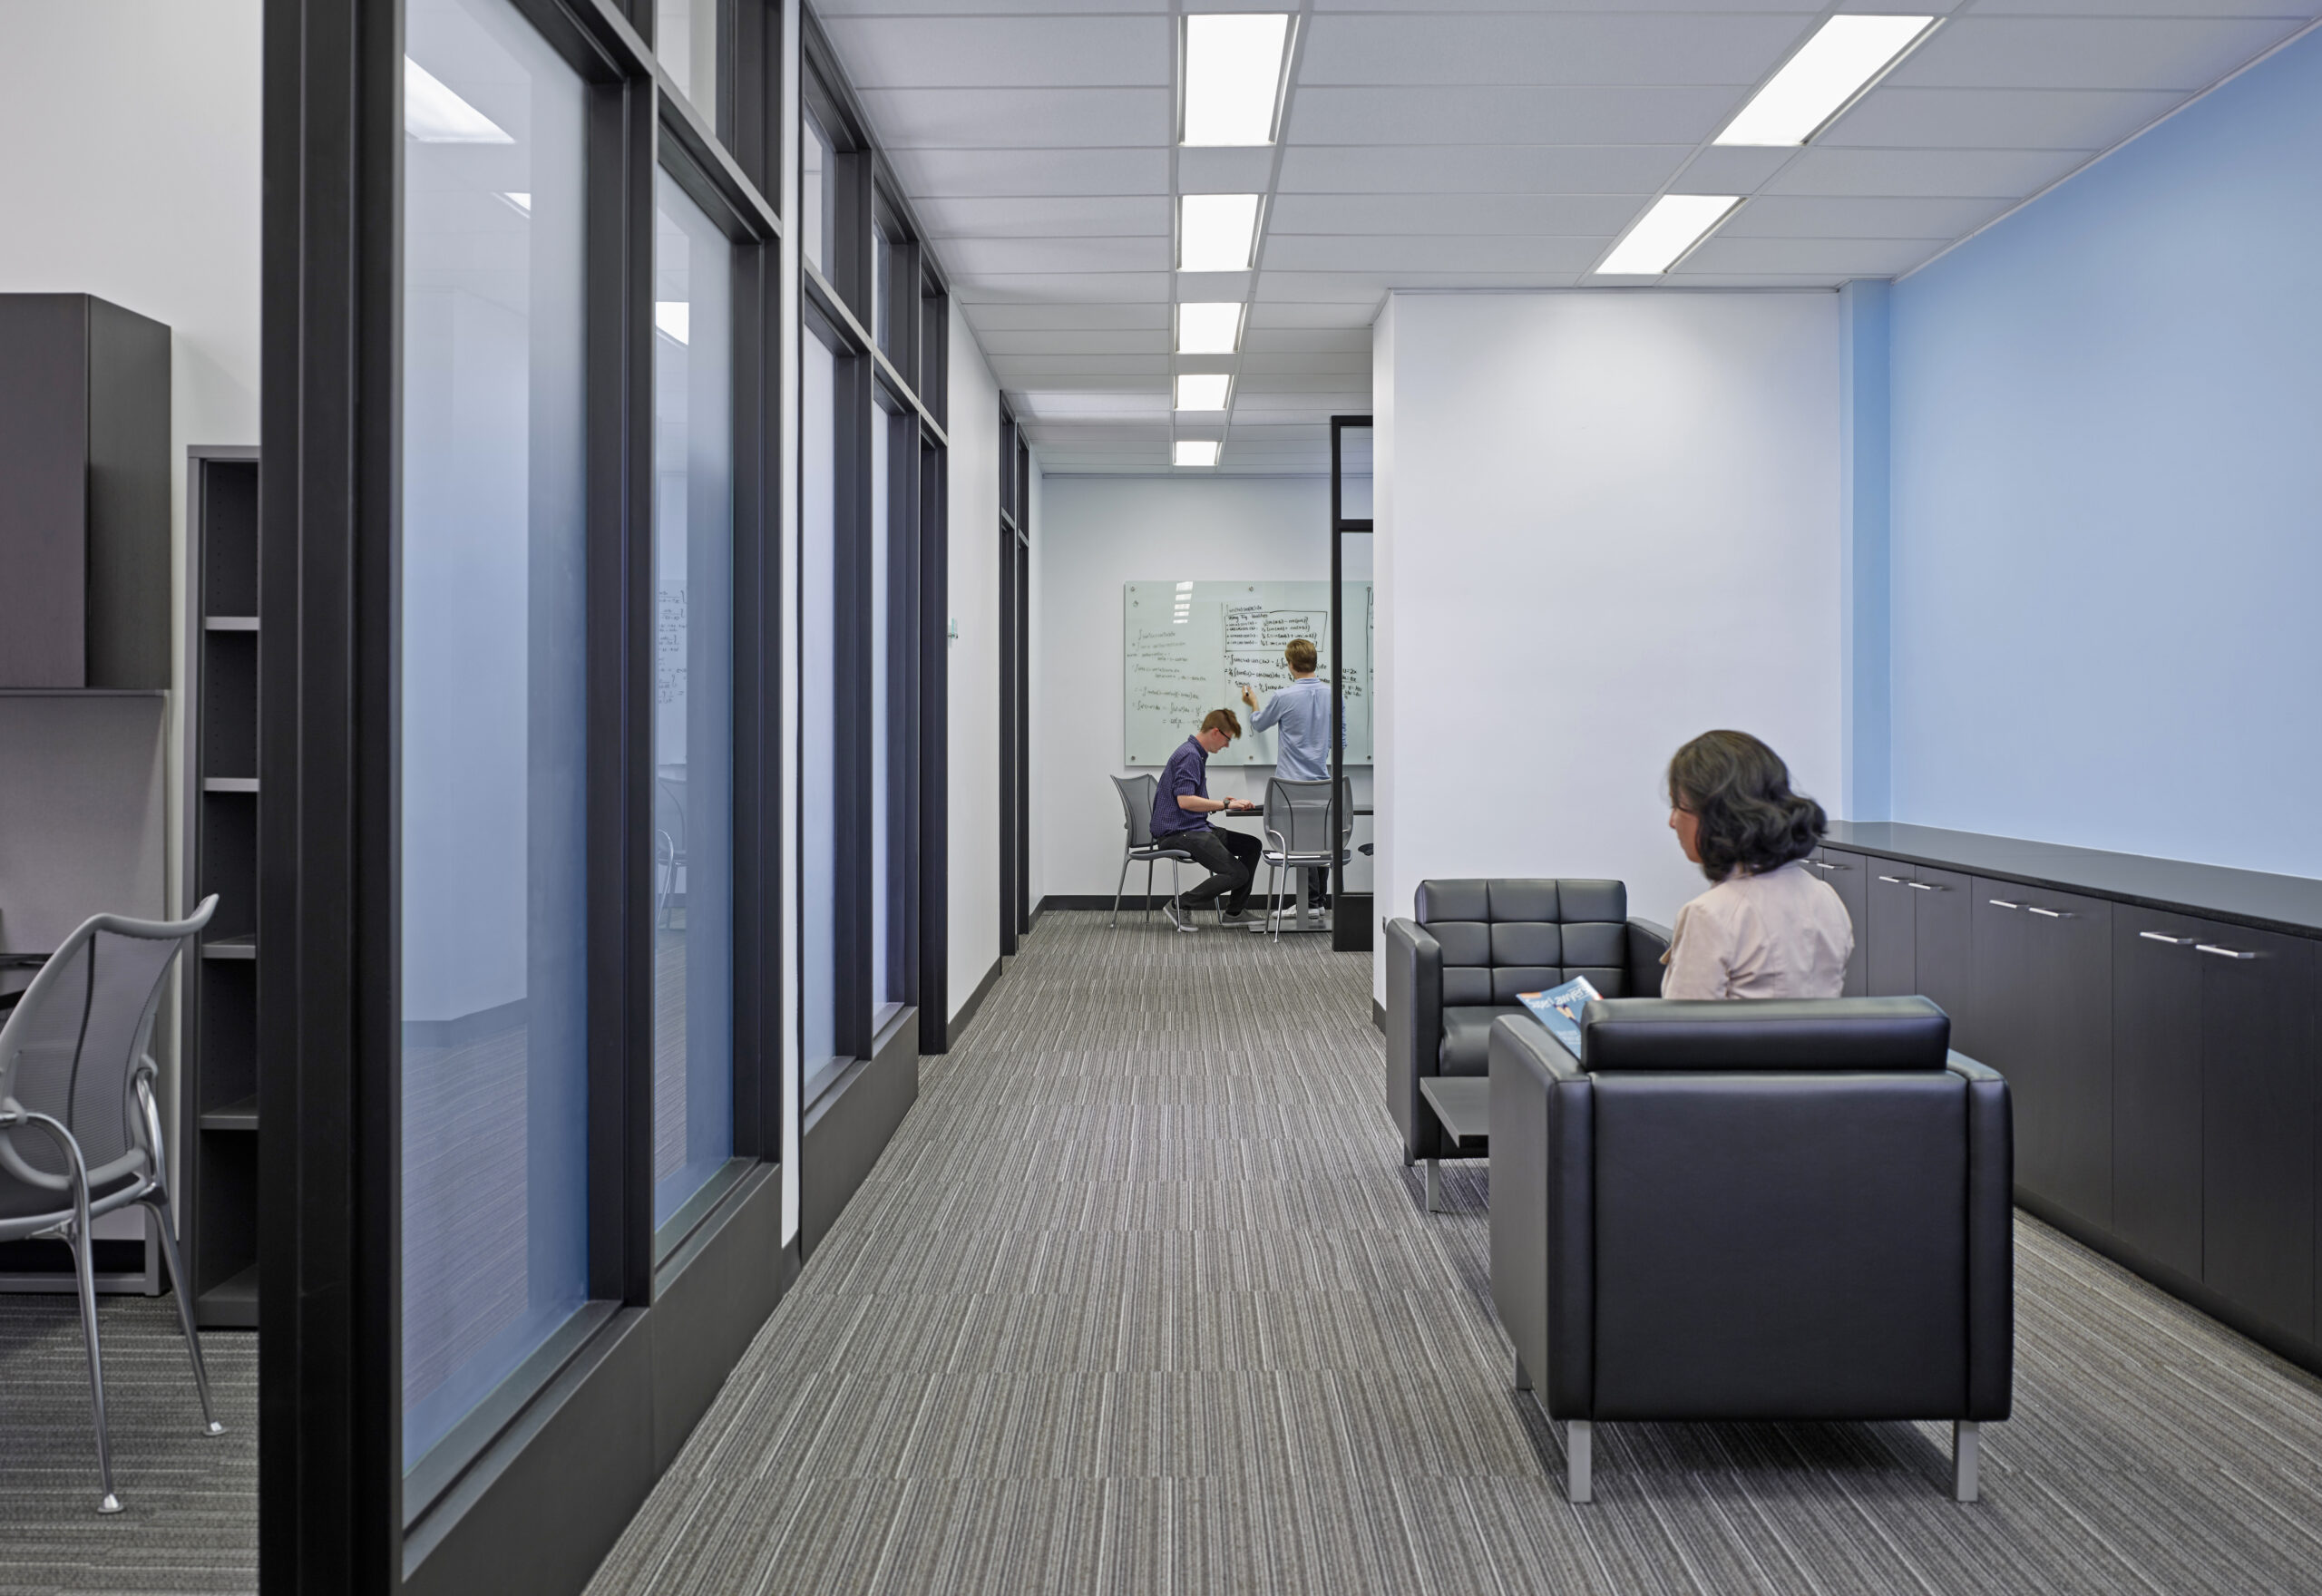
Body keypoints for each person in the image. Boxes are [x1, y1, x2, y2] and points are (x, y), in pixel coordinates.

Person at [1661, 729, 1854, 999]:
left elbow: (1679, 1033)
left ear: (1719, 814)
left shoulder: (1710, 914)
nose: (1672, 821)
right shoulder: (1825, 896)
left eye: (1679, 807)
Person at [1240, 637, 1332, 919]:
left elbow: (1259, 723)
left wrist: (1253, 702)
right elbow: (1338, 740)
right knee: (1321, 840)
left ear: (1290, 665)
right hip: (1323, 782)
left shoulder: (1284, 697)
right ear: (1314, 662)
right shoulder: (1333, 694)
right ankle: (1316, 902)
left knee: (1299, 842)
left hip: (1291, 784)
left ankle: (1310, 902)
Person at [1151, 708, 1262, 931]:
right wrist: (1225, 805)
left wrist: (1223, 802)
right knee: (1237, 873)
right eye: (1227, 739)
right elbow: (1185, 801)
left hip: (1194, 827)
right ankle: (1180, 905)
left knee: (1252, 845)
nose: (1227, 745)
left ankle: (1234, 912)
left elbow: (1190, 800)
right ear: (1215, 732)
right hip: (1178, 833)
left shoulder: (1196, 753)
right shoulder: (1189, 755)